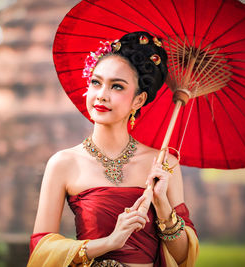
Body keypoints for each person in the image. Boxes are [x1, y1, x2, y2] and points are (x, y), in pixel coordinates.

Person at [27, 32, 199, 267]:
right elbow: (42, 248)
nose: (101, 95)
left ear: (138, 101)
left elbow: (182, 256)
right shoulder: (64, 163)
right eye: (96, 82)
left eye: (117, 87)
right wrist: (109, 242)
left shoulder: (163, 163)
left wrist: (161, 204)